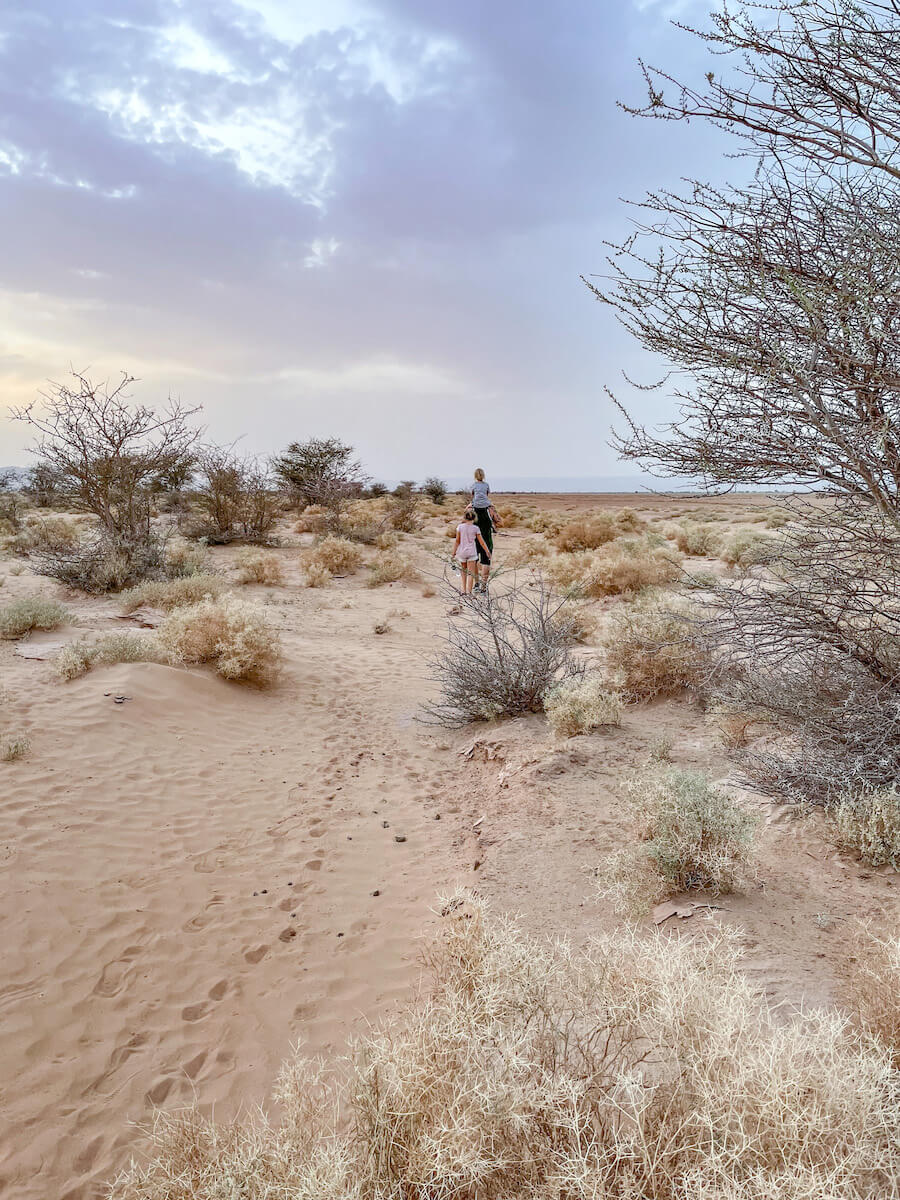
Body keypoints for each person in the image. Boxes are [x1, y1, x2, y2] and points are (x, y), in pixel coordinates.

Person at [469, 468, 503, 590]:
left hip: (475, 519)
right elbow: (487, 495)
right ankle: (484, 586)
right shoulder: (487, 485)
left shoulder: (473, 485)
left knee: (474, 557)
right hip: (486, 525)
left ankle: (476, 583)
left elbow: (473, 496)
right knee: (486, 557)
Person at [452, 508, 491, 595]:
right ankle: (469, 591)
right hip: (471, 552)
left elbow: (457, 541)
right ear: (474, 518)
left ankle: (463, 591)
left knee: (463, 571)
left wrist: (454, 552)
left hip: (462, 552)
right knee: (470, 573)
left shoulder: (460, 527)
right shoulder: (475, 528)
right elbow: (481, 542)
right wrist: (487, 551)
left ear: (465, 518)